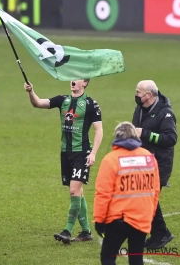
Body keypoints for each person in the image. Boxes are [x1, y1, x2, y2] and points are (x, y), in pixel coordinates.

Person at [24, 79, 103, 244]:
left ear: (85, 83)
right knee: (78, 192)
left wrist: (93, 153)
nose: (72, 81)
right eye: (71, 78)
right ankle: (86, 231)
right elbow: (38, 103)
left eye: (77, 78)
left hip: (82, 153)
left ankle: (67, 230)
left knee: (74, 190)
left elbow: (99, 130)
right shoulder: (62, 100)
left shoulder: (91, 104)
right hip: (65, 153)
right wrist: (31, 91)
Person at [94, 121, 160, 265]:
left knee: (108, 256)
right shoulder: (149, 158)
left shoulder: (111, 159)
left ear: (117, 137)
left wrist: (99, 220)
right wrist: (151, 214)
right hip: (142, 218)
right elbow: (155, 191)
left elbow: (103, 193)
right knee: (136, 259)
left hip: (118, 219)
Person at [132, 80, 177, 249]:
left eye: (138, 92)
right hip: (142, 161)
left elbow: (171, 139)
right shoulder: (140, 108)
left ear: (148, 95)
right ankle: (159, 233)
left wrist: (145, 133)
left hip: (159, 163)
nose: (136, 95)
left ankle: (160, 233)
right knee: (144, 197)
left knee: (147, 198)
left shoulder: (165, 114)